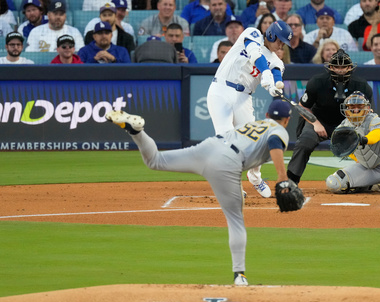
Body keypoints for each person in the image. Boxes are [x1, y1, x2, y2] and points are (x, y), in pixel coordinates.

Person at [105, 99, 299, 285]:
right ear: (287, 119)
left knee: (155, 161)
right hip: (227, 162)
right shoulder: (279, 130)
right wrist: (282, 176)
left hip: (210, 146)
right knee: (235, 219)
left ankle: (136, 131)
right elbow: (274, 142)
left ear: (266, 114)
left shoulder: (258, 122)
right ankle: (239, 275)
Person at [207, 20, 293, 198]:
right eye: (280, 40)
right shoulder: (252, 33)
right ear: (271, 34)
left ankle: (255, 178)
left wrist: (273, 85)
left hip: (243, 97)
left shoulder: (277, 61)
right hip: (221, 90)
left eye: (284, 41)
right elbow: (255, 54)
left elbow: (276, 73)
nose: (282, 44)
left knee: (256, 140)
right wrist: (266, 72)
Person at [286, 49, 373, 185]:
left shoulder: (362, 86)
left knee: (366, 145)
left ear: (350, 68)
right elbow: (302, 106)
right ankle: (290, 182)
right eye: (336, 67)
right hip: (319, 120)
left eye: (343, 66)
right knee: (305, 142)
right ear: (330, 67)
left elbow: (367, 111)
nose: (340, 70)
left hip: (348, 125)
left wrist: (356, 128)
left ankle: (375, 179)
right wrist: (315, 124)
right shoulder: (317, 82)